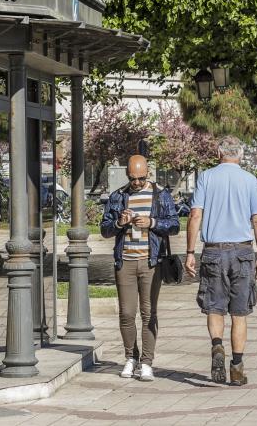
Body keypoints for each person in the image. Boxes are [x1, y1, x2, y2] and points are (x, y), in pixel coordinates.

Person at [184, 136, 257, 386]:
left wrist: (190, 251)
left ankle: (217, 346)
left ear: (219, 153)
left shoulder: (207, 178)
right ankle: (237, 366)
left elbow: (196, 214)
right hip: (242, 252)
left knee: (214, 306)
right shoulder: (250, 180)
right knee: (239, 313)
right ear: (240, 155)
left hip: (213, 251)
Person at [100, 155, 180, 381]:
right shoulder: (118, 196)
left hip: (150, 262)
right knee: (126, 313)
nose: (136, 182)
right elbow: (105, 230)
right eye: (132, 178)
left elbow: (174, 225)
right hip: (124, 261)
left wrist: (151, 223)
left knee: (148, 313)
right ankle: (130, 358)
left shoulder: (160, 195)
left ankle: (146, 362)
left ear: (148, 174)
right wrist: (119, 223)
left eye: (141, 178)